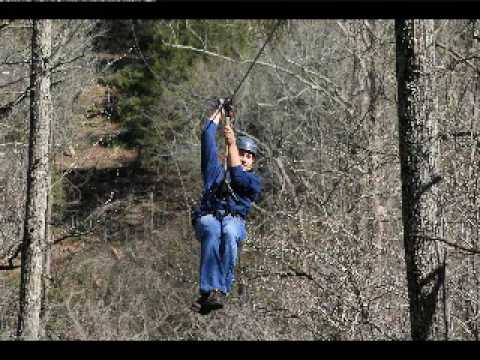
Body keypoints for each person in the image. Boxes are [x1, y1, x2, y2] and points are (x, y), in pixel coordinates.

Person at [191, 103, 262, 314]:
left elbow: (238, 176)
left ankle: (219, 289)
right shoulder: (215, 170)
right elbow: (206, 135)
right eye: (242, 153)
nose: (244, 158)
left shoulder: (252, 181)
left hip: (234, 220)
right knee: (213, 229)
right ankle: (208, 290)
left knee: (229, 231)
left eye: (249, 156)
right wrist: (220, 112)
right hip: (210, 216)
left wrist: (232, 144)